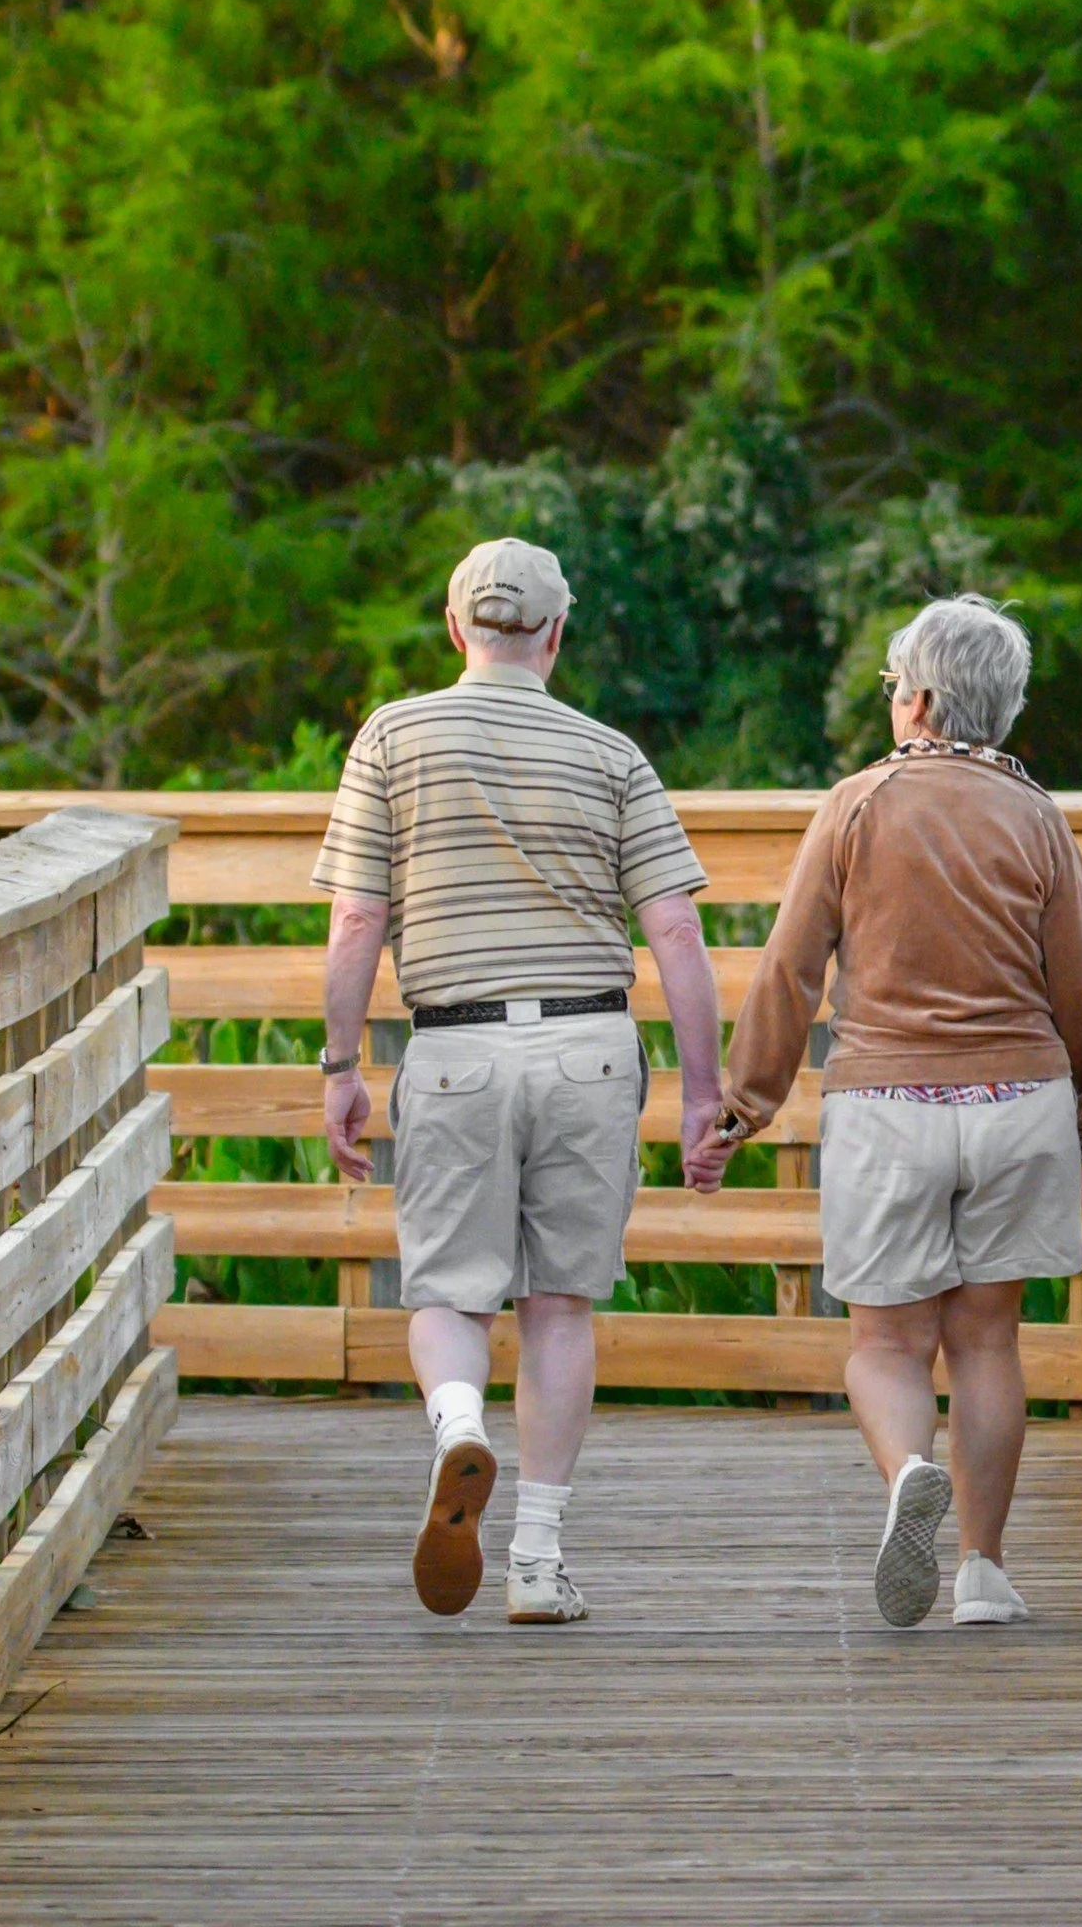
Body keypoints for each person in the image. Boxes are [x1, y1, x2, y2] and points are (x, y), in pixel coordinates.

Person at [688, 594, 1082, 1628]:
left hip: (888, 1102)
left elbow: (792, 969)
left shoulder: (855, 804)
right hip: (1018, 1101)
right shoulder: (1037, 814)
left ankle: (903, 1478)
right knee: (987, 1341)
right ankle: (982, 1569)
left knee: (886, 1343)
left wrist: (741, 1107)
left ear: (920, 699)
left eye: (894, 688)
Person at [313, 537, 726, 1623]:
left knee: (450, 1289)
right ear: (556, 633)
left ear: (456, 629)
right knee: (557, 1306)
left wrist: (341, 1062)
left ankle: (457, 1423)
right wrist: (701, 1090)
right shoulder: (611, 753)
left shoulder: (392, 737)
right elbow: (676, 927)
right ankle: (537, 1561)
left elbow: (357, 915)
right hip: (588, 1049)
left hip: (453, 1047)